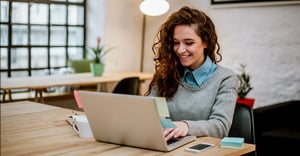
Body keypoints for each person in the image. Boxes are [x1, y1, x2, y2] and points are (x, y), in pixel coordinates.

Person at [145, 6, 238, 142]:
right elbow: (153, 113)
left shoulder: (225, 79)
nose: (180, 50)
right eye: (176, 43)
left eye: (189, 43)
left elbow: (220, 126)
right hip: (168, 147)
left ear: (206, 41)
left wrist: (186, 126)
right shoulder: (166, 74)